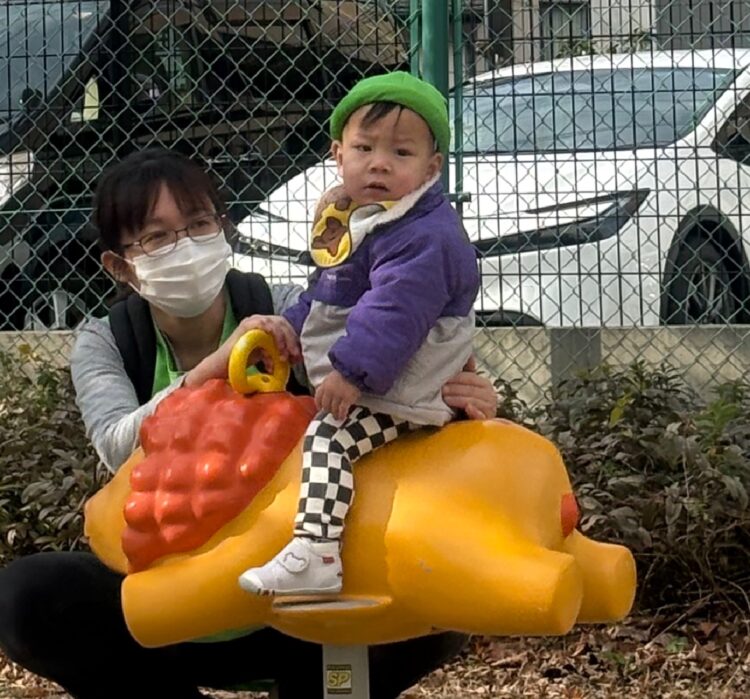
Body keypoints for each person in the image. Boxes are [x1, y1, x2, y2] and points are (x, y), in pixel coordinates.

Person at [0, 147, 497, 699]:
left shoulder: (286, 310)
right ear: (120, 265)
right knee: (27, 597)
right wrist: (216, 366)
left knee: (442, 589)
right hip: (161, 608)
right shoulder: (108, 341)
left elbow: (381, 375)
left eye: (199, 224)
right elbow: (118, 446)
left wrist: (450, 400)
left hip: (297, 604)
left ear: (224, 229)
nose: (186, 245)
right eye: (157, 237)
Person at [239, 71, 480, 598]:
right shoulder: (364, 218)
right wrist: (292, 326)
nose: (379, 163)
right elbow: (331, 288)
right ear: (337, 153)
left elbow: (395, 312)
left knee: (329, 437)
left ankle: (317, 551)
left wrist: (352, 372)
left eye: (401, 153)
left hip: (398, 389)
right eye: (365, 148)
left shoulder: (425, 235)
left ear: (432, 168)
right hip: (376, 378)